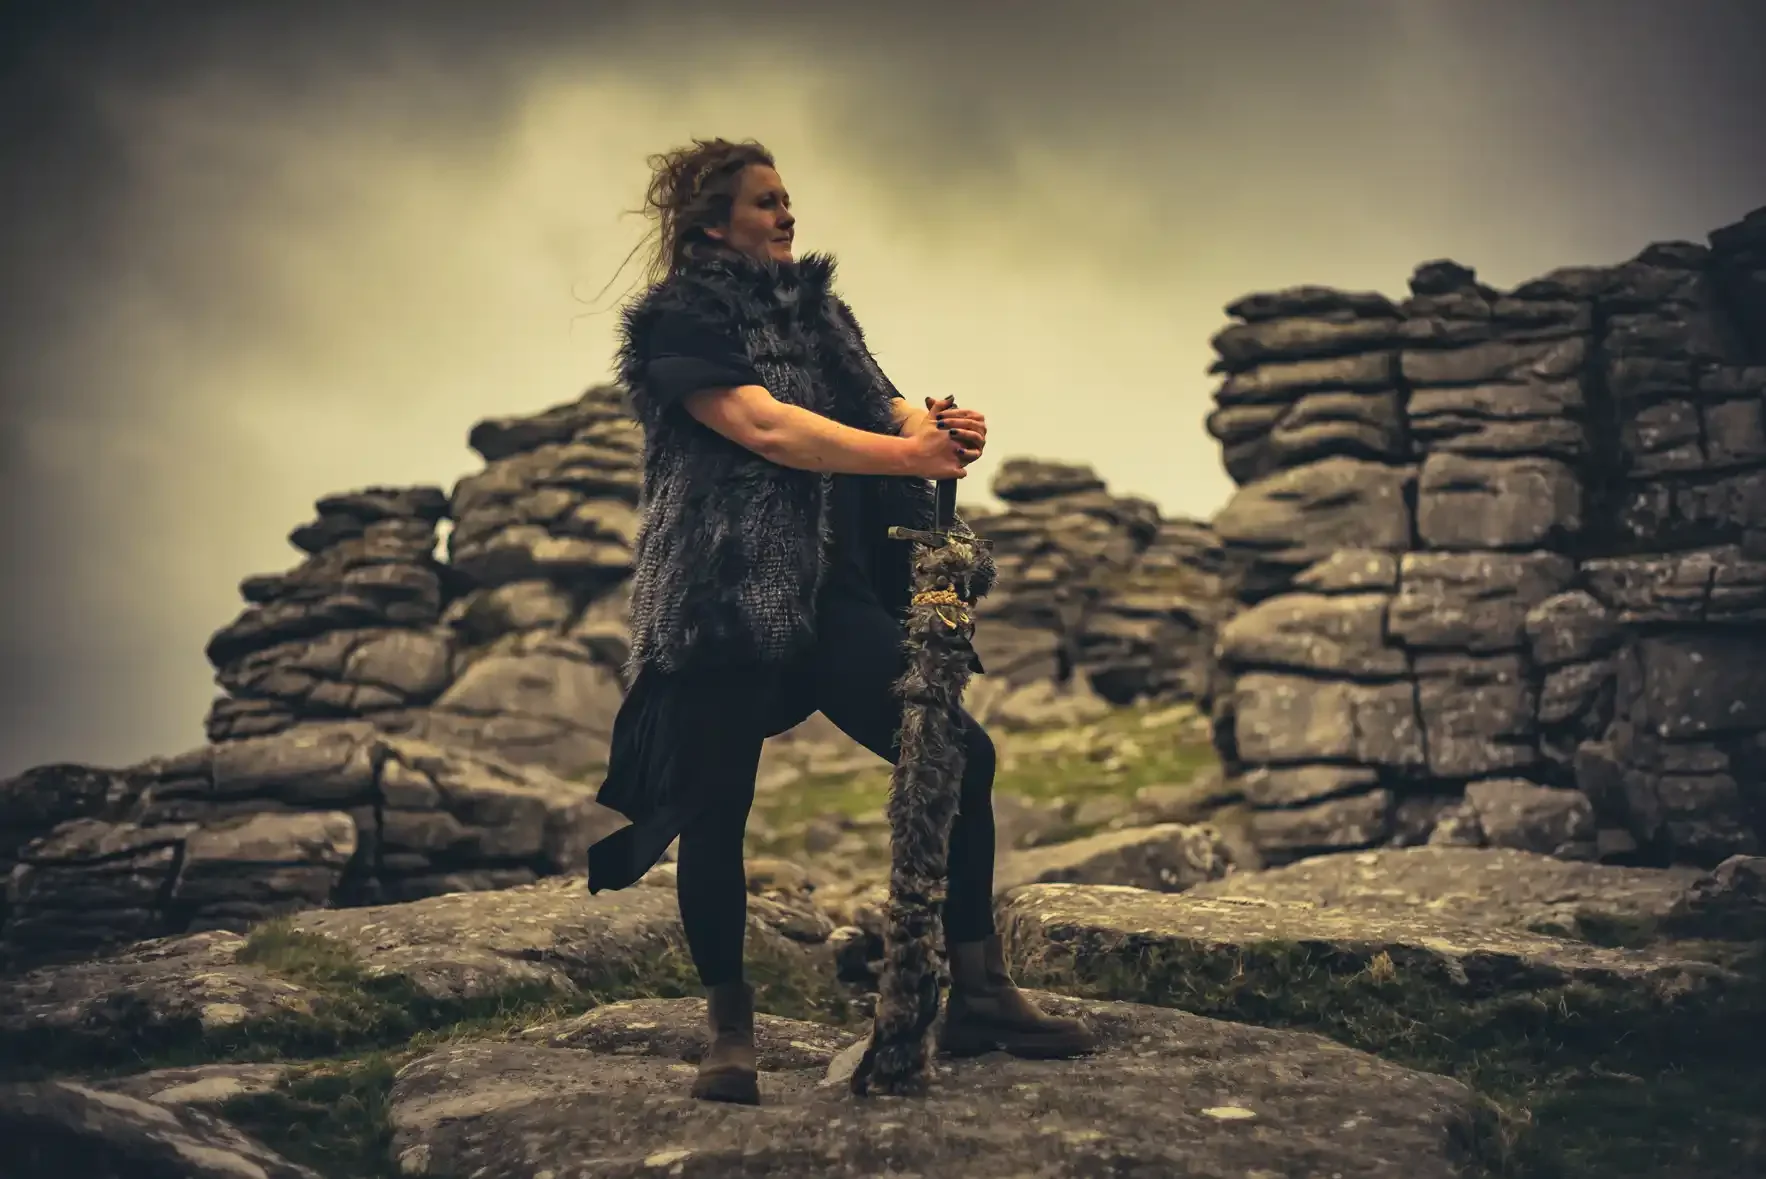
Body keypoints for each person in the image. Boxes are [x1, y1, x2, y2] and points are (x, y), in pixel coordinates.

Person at [585, 137, 1097, 1106]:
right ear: (710, 223)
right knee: (713, 810)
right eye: (764, 201)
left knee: (957, 756)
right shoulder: (676, 319)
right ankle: (727, 1035)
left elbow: (886, 409)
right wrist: (908, 460)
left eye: (787, 199)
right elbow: (761, 426)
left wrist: (937, 433)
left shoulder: (818, 310)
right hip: (720, 597)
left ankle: (979, 993)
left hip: (830, 596)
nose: (785, 214)